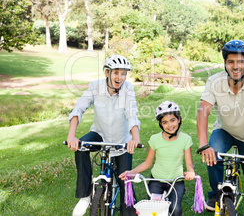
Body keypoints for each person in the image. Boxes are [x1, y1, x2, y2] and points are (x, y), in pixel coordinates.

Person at [196, 40, 244, 216]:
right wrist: (204, 144)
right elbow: (203, 111)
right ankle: (215, 195)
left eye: (240, 62)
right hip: (224, 130)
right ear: (225, 63)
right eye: (231, 62)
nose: (235, 66)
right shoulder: (215, 81)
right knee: (212, 154)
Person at [66, 55, 141, 216]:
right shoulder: (95, 86)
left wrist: (135, 139)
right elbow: (78, 109)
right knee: (81, 147)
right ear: (107, 73)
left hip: (122, 140)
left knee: (124, 182)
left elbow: (131, 115)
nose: (119, 77)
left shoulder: (128, 88)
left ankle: (129, 212)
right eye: (116, 73)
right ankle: (85, 195)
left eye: (123, 73)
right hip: (99, 134)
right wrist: (72, 136)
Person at [120, 101, 195, 216]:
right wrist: (131, 172)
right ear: (160, 124)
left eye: (172, 120)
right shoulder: (155, 139)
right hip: (156, 180)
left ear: (179, 119)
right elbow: (147, 162)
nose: (170, 125)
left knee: (176, 210)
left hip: (176, 181)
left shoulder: (185, 139)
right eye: (165, 122)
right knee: (153, 210)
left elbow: (189, 163)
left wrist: (191, 171)